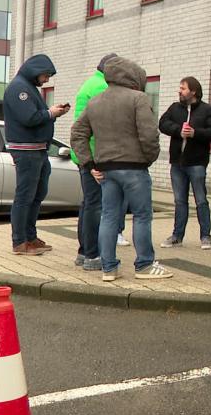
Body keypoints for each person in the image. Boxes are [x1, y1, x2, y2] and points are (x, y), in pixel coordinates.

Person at [71, 56, 172, 281]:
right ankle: (144, 265)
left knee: (108, 217)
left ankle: (108, 268)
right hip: (134, 167)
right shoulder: (138, 98)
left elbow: (77, 133)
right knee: (142, 216)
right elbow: (149, 134)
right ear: (132, 76)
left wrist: (89, 164)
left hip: (106, 169)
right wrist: (149, 158)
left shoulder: (95, 101)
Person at [3, 54, 69, 255]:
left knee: (37, 194)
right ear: (35, 71)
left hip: (37, 149)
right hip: (27, 150)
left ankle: (30, 237)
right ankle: (20, 241)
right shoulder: (19, 88)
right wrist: (51, 113)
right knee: (25, 196)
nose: (46, 80)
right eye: (46, 75)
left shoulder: (27, 87)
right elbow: (29, 117)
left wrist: (51, 113)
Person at [158, 76, 211, 249]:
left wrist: (195, 133)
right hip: (177, 163)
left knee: (201, 200)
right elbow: (162, 124)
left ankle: (205, 236)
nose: (180, 91)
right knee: (180, 201)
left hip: (197, 162)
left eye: (183, 88)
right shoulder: (174, 108)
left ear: (193, 91)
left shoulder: (207, 110)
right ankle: (177, 236)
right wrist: (179, 130)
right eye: (180, 88)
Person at [70, 53, 117, 270]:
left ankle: (83, 252)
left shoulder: (91, 83)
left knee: (88, 203)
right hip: (93, 156)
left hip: (84, 154)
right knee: (95, 205)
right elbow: (103, 127)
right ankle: (92, 254)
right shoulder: (101, 89)